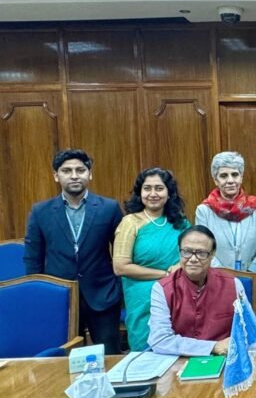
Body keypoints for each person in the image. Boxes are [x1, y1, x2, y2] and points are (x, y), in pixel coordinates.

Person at [24, 149, 124, 354]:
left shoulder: (109, 208)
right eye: (66, 171)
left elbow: (122, 252)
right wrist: (40, 295)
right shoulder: (40, 211)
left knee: (111, 357)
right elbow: (33, 258)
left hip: (103, 296)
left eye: (80, 170)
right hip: (61, 299)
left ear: (90, 174)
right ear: (56, 176)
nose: (74, 175)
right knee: (64, 360)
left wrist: (118, 289)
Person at [113, 168, 190, 351]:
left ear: (169, 193)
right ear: (140, 193)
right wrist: (164, 274)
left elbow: (193, 251)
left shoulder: (180, 222)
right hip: (143, 299)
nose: (153, 194)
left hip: (179, 293)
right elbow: (120, 267)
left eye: (159, 188)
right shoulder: (130, 223)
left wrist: (181, 265)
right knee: (147, 353)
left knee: (182, 349)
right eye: (147, 188)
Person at [148, 225, 244, 356]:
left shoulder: (233, 284)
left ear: (212, 254)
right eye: (186, 252)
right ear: (179, 251)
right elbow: (159, 340)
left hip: (225, 359)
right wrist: (213, 346)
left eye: (201, 253)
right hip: (179, 360)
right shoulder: (162, 289)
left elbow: (247, 329)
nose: (193, 259)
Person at [196, 151, 256, 283]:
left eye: (235, 174)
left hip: (254, 279)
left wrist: (251, 275)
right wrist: (224, 276)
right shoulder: (204, 210)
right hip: (218, 280)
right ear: (216, 180)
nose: (230, 180)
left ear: (241, 177)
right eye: (224, 176)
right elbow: (203, 248)